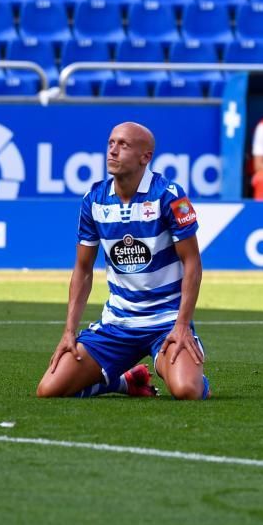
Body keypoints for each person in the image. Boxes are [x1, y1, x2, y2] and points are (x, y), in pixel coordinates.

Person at [37, 122, 211, 401]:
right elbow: (83, 269)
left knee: (186, 391)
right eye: (111, 143)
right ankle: (123, 383)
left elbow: (192, 263)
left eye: (123, 145)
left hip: (165, 322)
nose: (113, 151)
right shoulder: (93, 200)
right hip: (117, 324)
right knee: (49, 390)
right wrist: (69, 332)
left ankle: (192, 372)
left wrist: (181, 325)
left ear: (145, 157)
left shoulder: (171, 197)